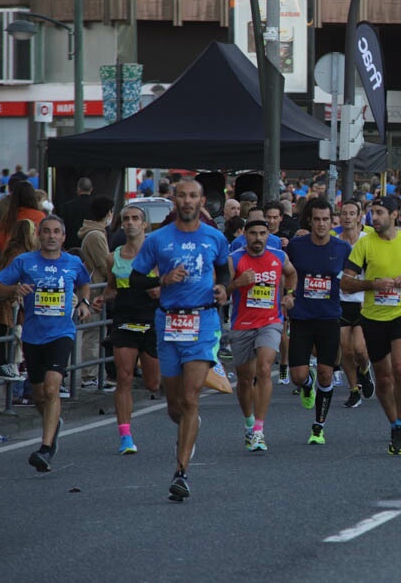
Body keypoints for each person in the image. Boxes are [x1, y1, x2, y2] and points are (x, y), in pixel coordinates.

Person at [129, 178, 230, 501]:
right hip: (169, 322)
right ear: (174, 200)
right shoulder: (157, 240)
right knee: (174, 405)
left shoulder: (215, 237)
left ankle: (181, 472)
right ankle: (189, 422)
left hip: (202, 321)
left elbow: (223, 271)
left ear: (202, 202)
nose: (187, 201)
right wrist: (162, 279)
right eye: (182, 196)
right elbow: (133, 279)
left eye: (193, 196)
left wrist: (222, 289)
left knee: (190, 396)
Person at [0, 215, 92, 472]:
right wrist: (14, 291)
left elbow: (84, 284)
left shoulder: (73, 262)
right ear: (39, 234)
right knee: (39, 394)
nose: (51, 236)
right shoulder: (24, 262)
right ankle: (53, 421)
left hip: (62, 334)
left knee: (51, 387)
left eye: (56, 232)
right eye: (46, 231)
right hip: (32, 335)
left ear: (63, 236)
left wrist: (84, 303)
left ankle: (46, 448)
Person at [342, 197, 401, 455]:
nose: (375, 217)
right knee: (384, 379)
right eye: (373, 212)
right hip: (373, 317)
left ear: (394, 214)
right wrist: (372, 285)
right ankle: (394, 424)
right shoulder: (364, 244)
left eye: (380, 212)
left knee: (400, 367)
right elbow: (345, 282)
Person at [93, 205, 162, 454]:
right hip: (124, 321)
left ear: (144, 225)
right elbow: (113, 287)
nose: (130, 223)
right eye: (126, 219)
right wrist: (103, 297)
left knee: (153, 384)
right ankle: (125, 437)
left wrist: (156, 288)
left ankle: (148, 363)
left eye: (135, 219)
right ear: (121, 224)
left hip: (151, 321)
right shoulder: (114, 257)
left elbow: (168, 288)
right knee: (124, 377)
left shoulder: (157, 255)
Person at [283, 198, 351, 445]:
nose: (321, 224)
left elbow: (353, 277)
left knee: (326, 372)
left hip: (329, 317)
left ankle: (318, 427)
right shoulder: (296, 246)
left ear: (331, 221)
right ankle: (307, 385)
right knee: (298, 376)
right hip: (301, 316)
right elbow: (286, 274)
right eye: (317, 219)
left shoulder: (341, 248)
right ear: (309, 221)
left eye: (326, 219)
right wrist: (287, 297)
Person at [229, 219, 297, 452]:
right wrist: (238, 282)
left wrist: (289, 294)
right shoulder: (235, 258)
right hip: (242, 323)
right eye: (253, 233)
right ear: (245, 235)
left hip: (271, 320)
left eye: (262, 233)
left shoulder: (278, 256)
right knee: (245, 379)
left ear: (268, 235)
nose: (258, 238)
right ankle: (248, 422)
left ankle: (258, 429)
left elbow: (292, 273)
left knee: (265, 369)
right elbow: (220, 288)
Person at [0, 219, 38, 381]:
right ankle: (1, 366)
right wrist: (15, 290)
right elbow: (9, 277)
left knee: (1, 334)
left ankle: (2, 366)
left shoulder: (14, 250)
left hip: (1, 297)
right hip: (1, 299)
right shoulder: (19, 253)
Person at [335, 200, 375, 408]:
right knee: (346, 350)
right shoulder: (335, 241)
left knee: (360, 350)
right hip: (342, 301)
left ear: (359, 217)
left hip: (363, 301)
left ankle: (365, 371)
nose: (348, 217)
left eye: (352, 213)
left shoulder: (367, 241)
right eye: (344, 213)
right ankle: (353, 390)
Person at [78, 195, 115, 388]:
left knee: (94, 331)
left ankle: (91, 374)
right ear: (109, 213)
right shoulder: (97, 235)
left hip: (94, 286)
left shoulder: (93, 233)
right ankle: (89, 374)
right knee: (93, 332)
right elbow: (104, 264)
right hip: (95, 288)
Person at [62, 177, 94, 251]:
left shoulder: (68, 206)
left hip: (72, 244)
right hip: (91, 243)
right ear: (91, 189)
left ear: (78, 189)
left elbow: (65, 225)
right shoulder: (97, 205)